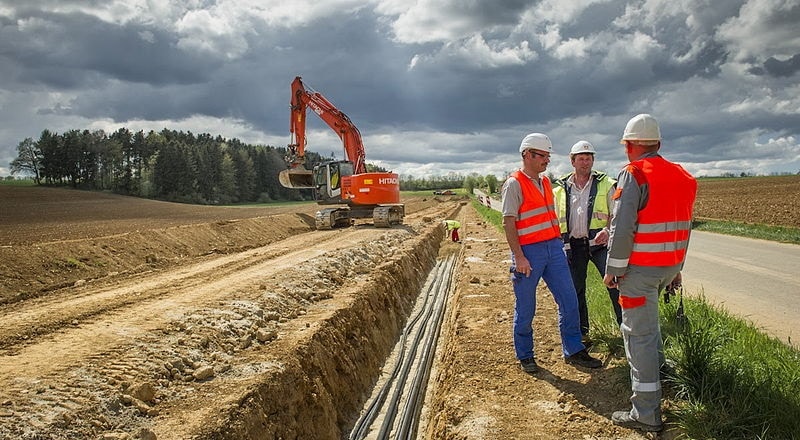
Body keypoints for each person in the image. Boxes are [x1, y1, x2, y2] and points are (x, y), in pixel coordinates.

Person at [603, 114, 697, 432]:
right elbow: (684, 228)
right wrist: (678, 270)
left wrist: (613, 270)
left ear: (630, 146)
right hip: (668, 267)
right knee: (650, 324)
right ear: (658, 143)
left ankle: (645, 412)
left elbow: (621, 228)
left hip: (639, 270)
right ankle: (660, 372)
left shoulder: (633, 174)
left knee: (638, 336)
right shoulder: (683, 176)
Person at [501, 132, 603, 374]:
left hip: (553, 249)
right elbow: (508, 222)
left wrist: (559, 245)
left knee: (569, 300)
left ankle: (574, 349)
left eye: (548, 156)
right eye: (542, 156)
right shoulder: (514, 183)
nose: (547, 160)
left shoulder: (546, 182)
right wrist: (519, 257)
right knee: (526, 307)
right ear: (527, 154)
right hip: (529, 253)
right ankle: (525, 355)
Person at [553, 141, 622, 345]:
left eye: (589, 158)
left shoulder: (606, 183)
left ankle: (627, 331)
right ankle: (582, 334)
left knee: (615, 285)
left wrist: (608, 230)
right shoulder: (559, 187)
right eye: (581, 158)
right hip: (572, 246)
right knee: (575, 291)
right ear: (572, 161)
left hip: (600, 245)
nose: (585, 162)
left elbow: (617, 213)